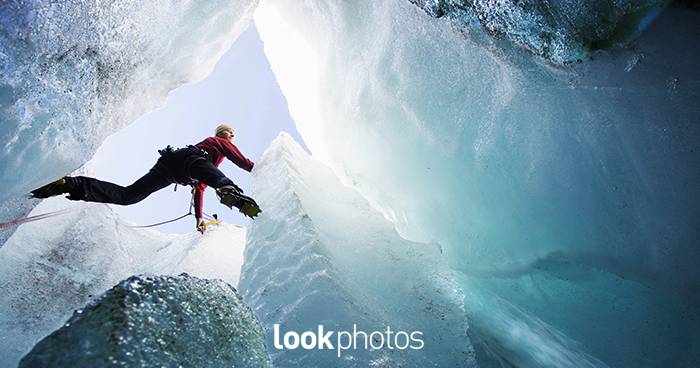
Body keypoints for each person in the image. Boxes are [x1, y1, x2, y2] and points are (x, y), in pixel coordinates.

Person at [31, 124, 260, 233]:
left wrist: (198, 218)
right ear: (226, 135)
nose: (232, 137)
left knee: (129, 195)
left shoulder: (210, 146)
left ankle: (71, 184)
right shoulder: (219, 142)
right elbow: (240, 160)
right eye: (232, 134)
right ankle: (231, 192)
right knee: (218, 179)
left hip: (169, 167)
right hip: (191, 161)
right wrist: (259, 169)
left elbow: (199, 189)